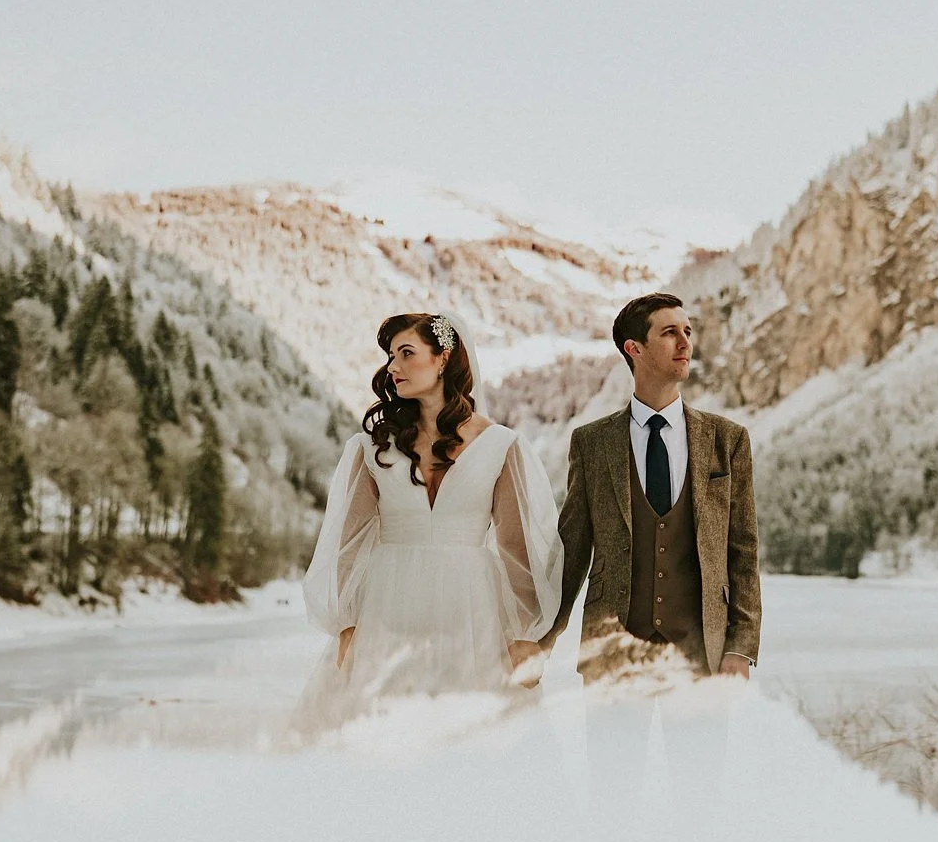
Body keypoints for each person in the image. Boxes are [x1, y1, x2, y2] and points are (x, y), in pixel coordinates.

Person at [294, 312, 562, 733]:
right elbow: (347, 542)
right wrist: (346, 622)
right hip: (389, 605)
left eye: (406, 353)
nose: (393, 367)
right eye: (389, 356)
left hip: (472, 608)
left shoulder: (501, 445)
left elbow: (518, 548)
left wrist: (527, 634)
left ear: (442, 359)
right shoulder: (371, 447)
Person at [544, 293, 761, 680]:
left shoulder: (727, 440)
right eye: (670, 332)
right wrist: (542, 638)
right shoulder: (591, 443)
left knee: (701, 745)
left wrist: (740, 648)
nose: (685, 343)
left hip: (703, 655)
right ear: (635, 348)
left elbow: (742, 551)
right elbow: (572, 550)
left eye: (688, 331)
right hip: (611, 652)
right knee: (612, 745)